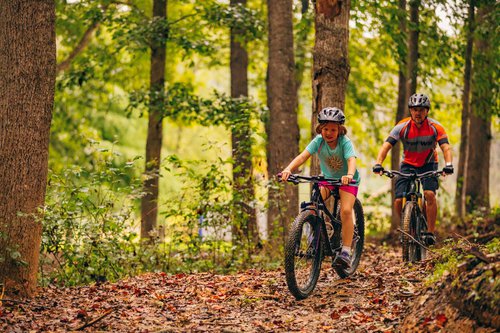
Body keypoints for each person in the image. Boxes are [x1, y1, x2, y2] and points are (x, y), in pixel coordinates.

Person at [281, 107, 360, 269]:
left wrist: (350, 175)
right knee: (312, 205)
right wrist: (288, 169)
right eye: (325, 129)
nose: (329, 133)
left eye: (333, 129)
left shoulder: (345, 142)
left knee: (345, 211)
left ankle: (346, 251)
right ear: (320, 129)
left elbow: (351, 160)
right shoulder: (318, 141)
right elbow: (303, 156)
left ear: (339, 130)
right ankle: (315, 237)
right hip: (328, 180)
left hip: (347, 181)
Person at [372, 93, 454, 245]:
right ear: (410, 110)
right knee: (398, 200)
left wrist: (448, 165)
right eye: (415, 109)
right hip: (408, 164)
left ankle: (429, 232)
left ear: (427, 111)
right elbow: (386, 146)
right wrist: (378, 163)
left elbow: (446, 147)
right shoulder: (401, 127)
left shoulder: (435, 127)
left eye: (421, 110)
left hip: (428, 164)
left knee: (429, 194)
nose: (418, 113)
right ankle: (405, 225)